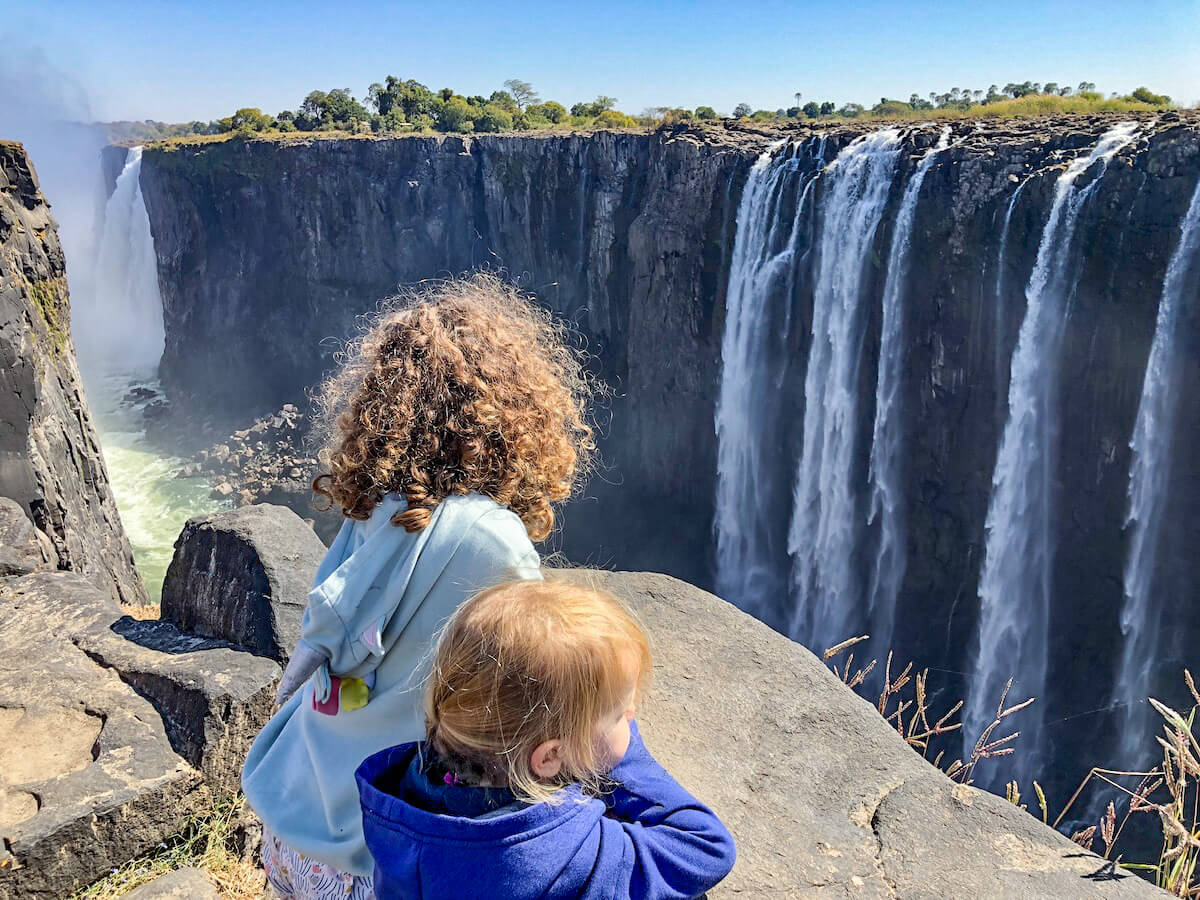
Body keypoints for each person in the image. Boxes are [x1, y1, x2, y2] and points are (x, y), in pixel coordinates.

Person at [242, 275, 596, 899]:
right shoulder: (493, 540)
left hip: (292, 827)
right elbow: (542, 681)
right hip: (376, 855)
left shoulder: (374, 510)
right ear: (513, 416)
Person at [356, 578, 737, 899]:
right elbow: (707, 848)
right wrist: (621, 754)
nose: (633, 715)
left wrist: (594, 734)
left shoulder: (397, 796)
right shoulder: (568, 852)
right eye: (622, 713)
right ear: (549, 758)